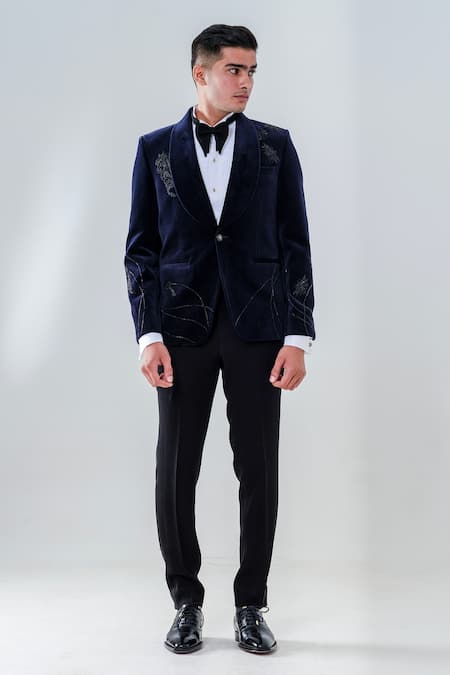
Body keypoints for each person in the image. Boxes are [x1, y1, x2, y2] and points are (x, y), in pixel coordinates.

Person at [124, 23, 315, 655]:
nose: (247, 82)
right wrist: (148, 334)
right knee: (175, 468)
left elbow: (296, 243)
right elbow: (141, 251)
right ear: (200, 73)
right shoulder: (154, 150)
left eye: (252, 70)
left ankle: (251, 603)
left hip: (260, 328)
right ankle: (185, 599)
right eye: (235, 69)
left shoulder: (274, 147)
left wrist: (298, 335)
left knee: (258, 468)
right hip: (180, 331)